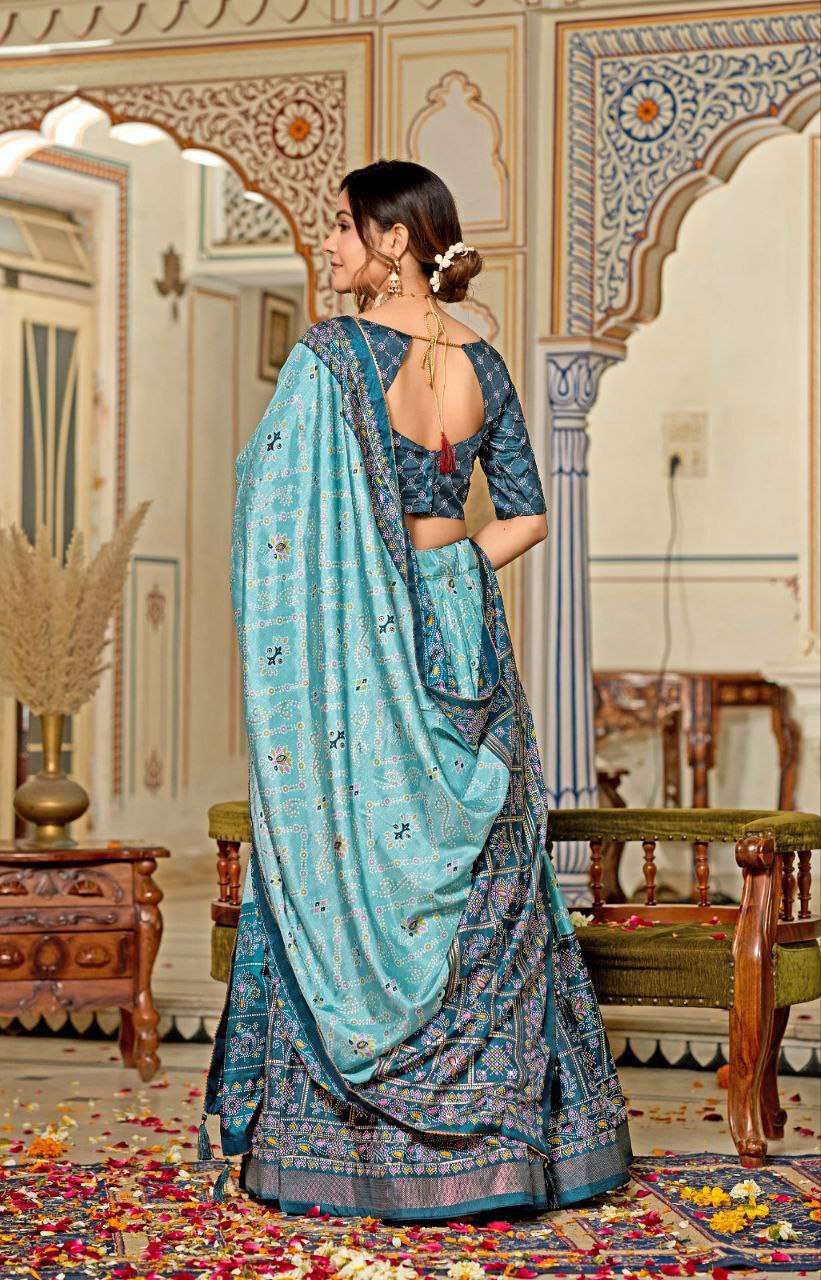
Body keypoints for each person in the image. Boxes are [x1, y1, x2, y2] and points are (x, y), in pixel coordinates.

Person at [200, 159, 632, 1221]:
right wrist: (452, 572)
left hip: (369, 639)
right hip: (464, 632)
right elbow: (526, 514)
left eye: (343, 228)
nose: (330, 246)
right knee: (486, 868)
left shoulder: (330, 357)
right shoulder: (483, 357)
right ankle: (507, 1151)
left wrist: (372, 580)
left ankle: (362, 1147)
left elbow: (271, 506)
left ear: (394, 240)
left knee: (354, 854)